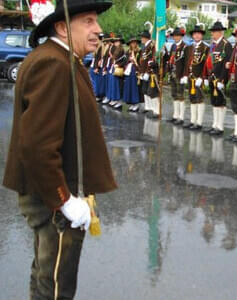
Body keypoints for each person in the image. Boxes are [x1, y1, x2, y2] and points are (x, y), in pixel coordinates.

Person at [3, 0, 117, 299]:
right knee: (55, 287)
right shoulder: (54, 63)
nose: (99, 30)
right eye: (89, 21)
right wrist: (64, 200)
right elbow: (37, 145)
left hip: (52, 193)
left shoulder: (61, 59)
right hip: (52, 198)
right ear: (64, 27)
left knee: (46, 278)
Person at [204, 21, 233, 136]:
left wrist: (223, 80)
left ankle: (220, 126)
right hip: (212, 76)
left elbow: (227, 63)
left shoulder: (226, 45)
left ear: (220, 32)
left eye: (214, 31)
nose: (212, 34)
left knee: (221, 102)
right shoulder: (213, 45)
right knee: (214, 102)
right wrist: (206, 76)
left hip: (220, 78)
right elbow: (209, 61)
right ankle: (215, 124)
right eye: (212, 32)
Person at [184, 23, 209, 130]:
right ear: (192, 36)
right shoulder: (189, 47)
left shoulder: (205, 48)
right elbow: (186, 62)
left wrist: (203, 77)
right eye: (195, 34)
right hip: (191, 77)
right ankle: (192, 120)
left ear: (202, 35)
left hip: (199, 77)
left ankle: (199, 123)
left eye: (199, 34)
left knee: (200, 99)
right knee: (192, 98)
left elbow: (206, 65)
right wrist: (185, 75)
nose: (197, 36)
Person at [166, 26, 190, 125]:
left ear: (181, 36)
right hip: (172, 73)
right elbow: (170, 59)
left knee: (180, 95)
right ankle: (175, 115)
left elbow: (187, 62)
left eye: (178, 36)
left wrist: (185, 75)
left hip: (180, 74)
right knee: (174, 94)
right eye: (175, 36)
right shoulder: (173, 46)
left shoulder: (185, 47)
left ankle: (181, 117)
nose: (176, 37)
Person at [138, 27, 159, 117]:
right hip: (144, 72)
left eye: (142, 37)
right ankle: (148, 107)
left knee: (152, 92)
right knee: (145, 90)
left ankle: (156, 110)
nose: (141, 39)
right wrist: (141, 72)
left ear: (146, 38)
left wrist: (147, 72)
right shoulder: (145, 46)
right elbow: (143, 61)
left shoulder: (151, 45)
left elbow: (151, 59)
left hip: (151, 72)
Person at [121, 37, 141, 112]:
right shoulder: (128, 52)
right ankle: (132, 103)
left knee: (134, 87)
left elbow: (140, 62)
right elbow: (125, 61)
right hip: (128, 70)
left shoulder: (139, 51)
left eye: (135, 42)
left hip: (134, 70)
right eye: (132, 43)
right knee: (128, 86)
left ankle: (136, 104)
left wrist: (134, 61)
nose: (133, 44)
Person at [107, 36, 126, 109]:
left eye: (117, 41)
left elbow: (125, 60)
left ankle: (119, 101)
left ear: (120, 42)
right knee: (113, 84)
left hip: (119, 69)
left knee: (118, 85)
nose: (115, 43)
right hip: (114, 68)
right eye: (115, 42)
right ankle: (114, 99)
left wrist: (119, 65)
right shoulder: (115, 49)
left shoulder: (122, 50)